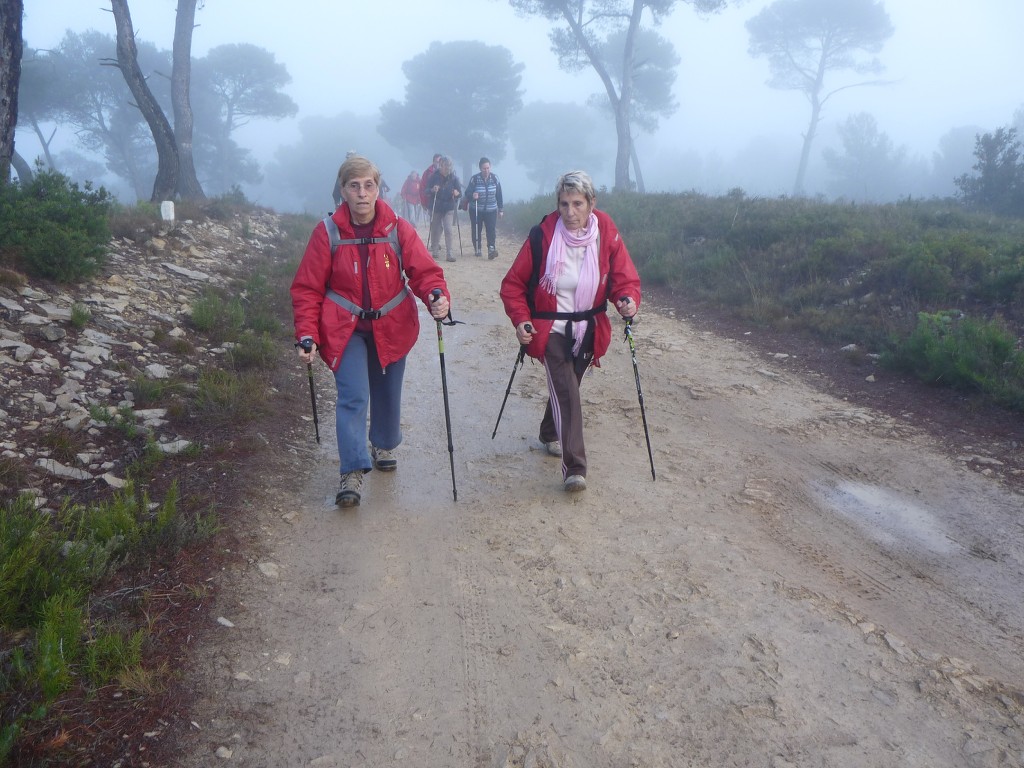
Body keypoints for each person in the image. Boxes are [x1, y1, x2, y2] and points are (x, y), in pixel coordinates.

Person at [292, 154, 452, 508]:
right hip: (344, 328)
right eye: (354, 186)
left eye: (369, 185)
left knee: (387, 390)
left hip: (393, 323)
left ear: (378, 189)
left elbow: (425, 273)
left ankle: (382, 442)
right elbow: (307, 289)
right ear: (343, 190)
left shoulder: (397, 228)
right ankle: (351, 469)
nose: (362, 194)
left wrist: (437, 297)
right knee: (353, 395)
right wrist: (308, 334)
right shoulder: (328, 232)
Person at [499, 170, 641, 493]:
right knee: (568, 391)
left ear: (592, 203)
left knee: (568, 387)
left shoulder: (605, 231)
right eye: (564, 204)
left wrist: (627, 300)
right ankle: (575, 467)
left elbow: (623, 276)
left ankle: (549, 432)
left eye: (577, 203)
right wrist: (521, 320)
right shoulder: (543, 235)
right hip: (550, 328)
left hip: (588, 328)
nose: (570, 212)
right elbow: (512, 285)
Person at [464, 157, 504, 258]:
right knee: (476, 229)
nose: (486, 170)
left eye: (487, 168)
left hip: (491, 210)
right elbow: (467, 192)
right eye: (484, 168)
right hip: (476, 209)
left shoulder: (495, 178)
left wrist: (501, 209)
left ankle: (491, 248)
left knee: (491, 229)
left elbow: (499, 194)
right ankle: (477, 248)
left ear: (490, 167)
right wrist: (473, 195)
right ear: (480, 168)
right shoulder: (475, 179)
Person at [424, 155, 462, 262]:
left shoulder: (454, 178)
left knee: (448, 229)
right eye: (445, 166)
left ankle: (449, 252)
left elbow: (460, 193)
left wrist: (457, 193)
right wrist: (432, 189)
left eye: (449, 166)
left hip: (448, 207)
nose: (447, 168)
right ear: (440, 165)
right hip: (436, 206)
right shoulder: (433, 176)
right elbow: (426, 191)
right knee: (436, 228)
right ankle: (435, 248)